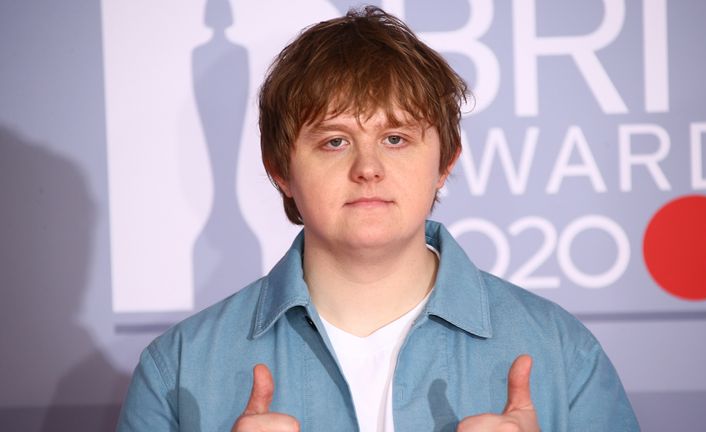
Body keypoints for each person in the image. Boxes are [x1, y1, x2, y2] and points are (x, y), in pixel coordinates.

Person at [117, 6, 639, 432]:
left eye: (396, 139)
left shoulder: (563, 353)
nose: (368, 168)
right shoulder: (178, 369)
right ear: (280, 171)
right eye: (334, 141)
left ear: (445, 162)